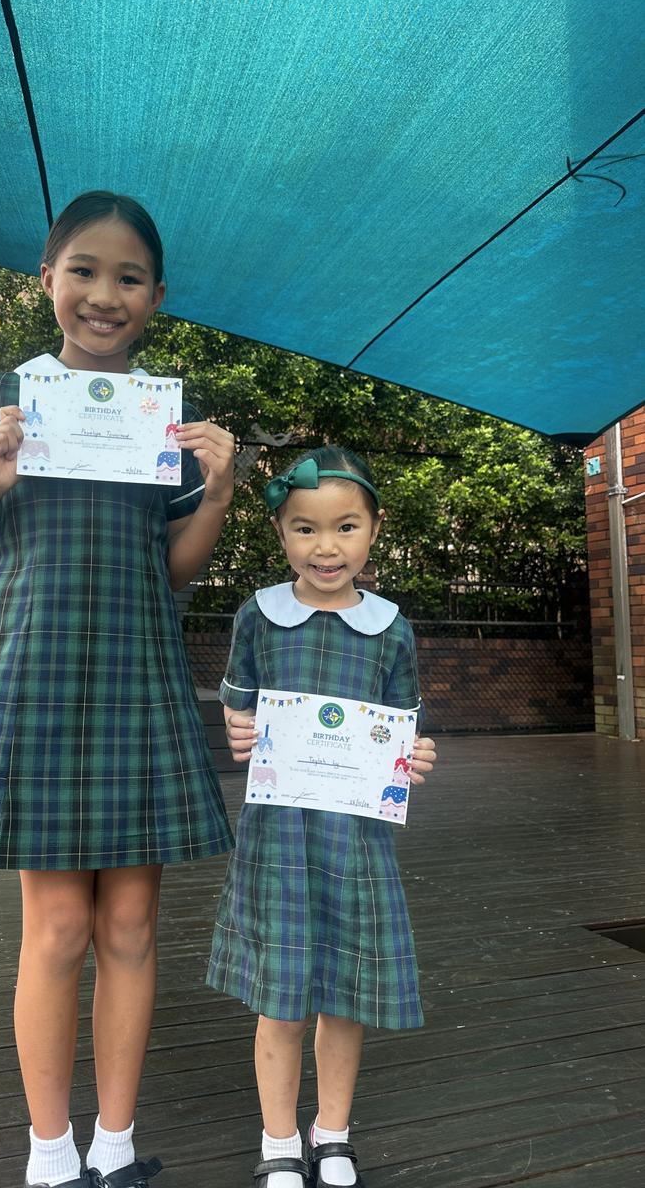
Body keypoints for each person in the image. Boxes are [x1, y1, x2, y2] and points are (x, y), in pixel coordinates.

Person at [0, 191, 236, 1188]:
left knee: (131, 927)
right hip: (33, 676)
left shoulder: (165, 413)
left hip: (139, 679)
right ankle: (51, 1157)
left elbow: (174, 569)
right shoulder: (0, 396)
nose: (105, 294)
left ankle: (116, 1147)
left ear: (157, 296)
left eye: (129, 278)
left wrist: (219, 491)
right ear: (47, 278)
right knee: (55, 929)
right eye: (84, 271)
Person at [207, 447, 437, 1188]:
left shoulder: (391, 629)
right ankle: (279, 1139)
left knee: (346, 993)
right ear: (281, 532)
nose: (326, 547)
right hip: (278, 837)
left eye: (345, 526)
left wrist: (414, 757)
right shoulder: (259, 616)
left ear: (374, 529)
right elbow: (238, 706)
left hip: (357, 839)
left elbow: (403, 728)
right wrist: (238, 729)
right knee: (281, 998)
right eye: (305, 528)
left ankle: (331, 1132)